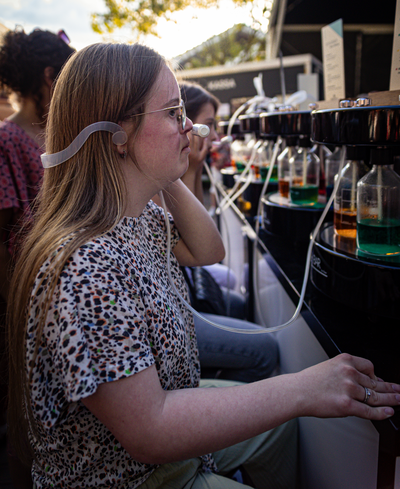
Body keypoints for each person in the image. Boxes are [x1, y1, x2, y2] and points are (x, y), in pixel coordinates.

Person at [7, 43, 400, 489]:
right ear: (117, 135)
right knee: (286, 406)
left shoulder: (137, 215)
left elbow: (209, 250)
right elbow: (150, 432)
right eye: (174, 112)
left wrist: (165, 172)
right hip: (133, 478)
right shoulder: (85, 268)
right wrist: (304, 389)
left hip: (163, 439)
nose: (191, 126)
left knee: (279, 425)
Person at [0, 27, 74, 488]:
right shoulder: (7, 140)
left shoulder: (52, 135)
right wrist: (15, 313)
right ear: (49, 77)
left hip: (58, 296)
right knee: (26, 422)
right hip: (24, 300)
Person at [180, 80, 279, 383]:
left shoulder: (178, 174)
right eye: (208, 126)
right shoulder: (158, 183)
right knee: (266, 348)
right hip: (180, 303)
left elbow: (201, 220)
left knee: (236, 302)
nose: (215, 136)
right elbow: (201, 249)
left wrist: (194, 167)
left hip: (185, 291)